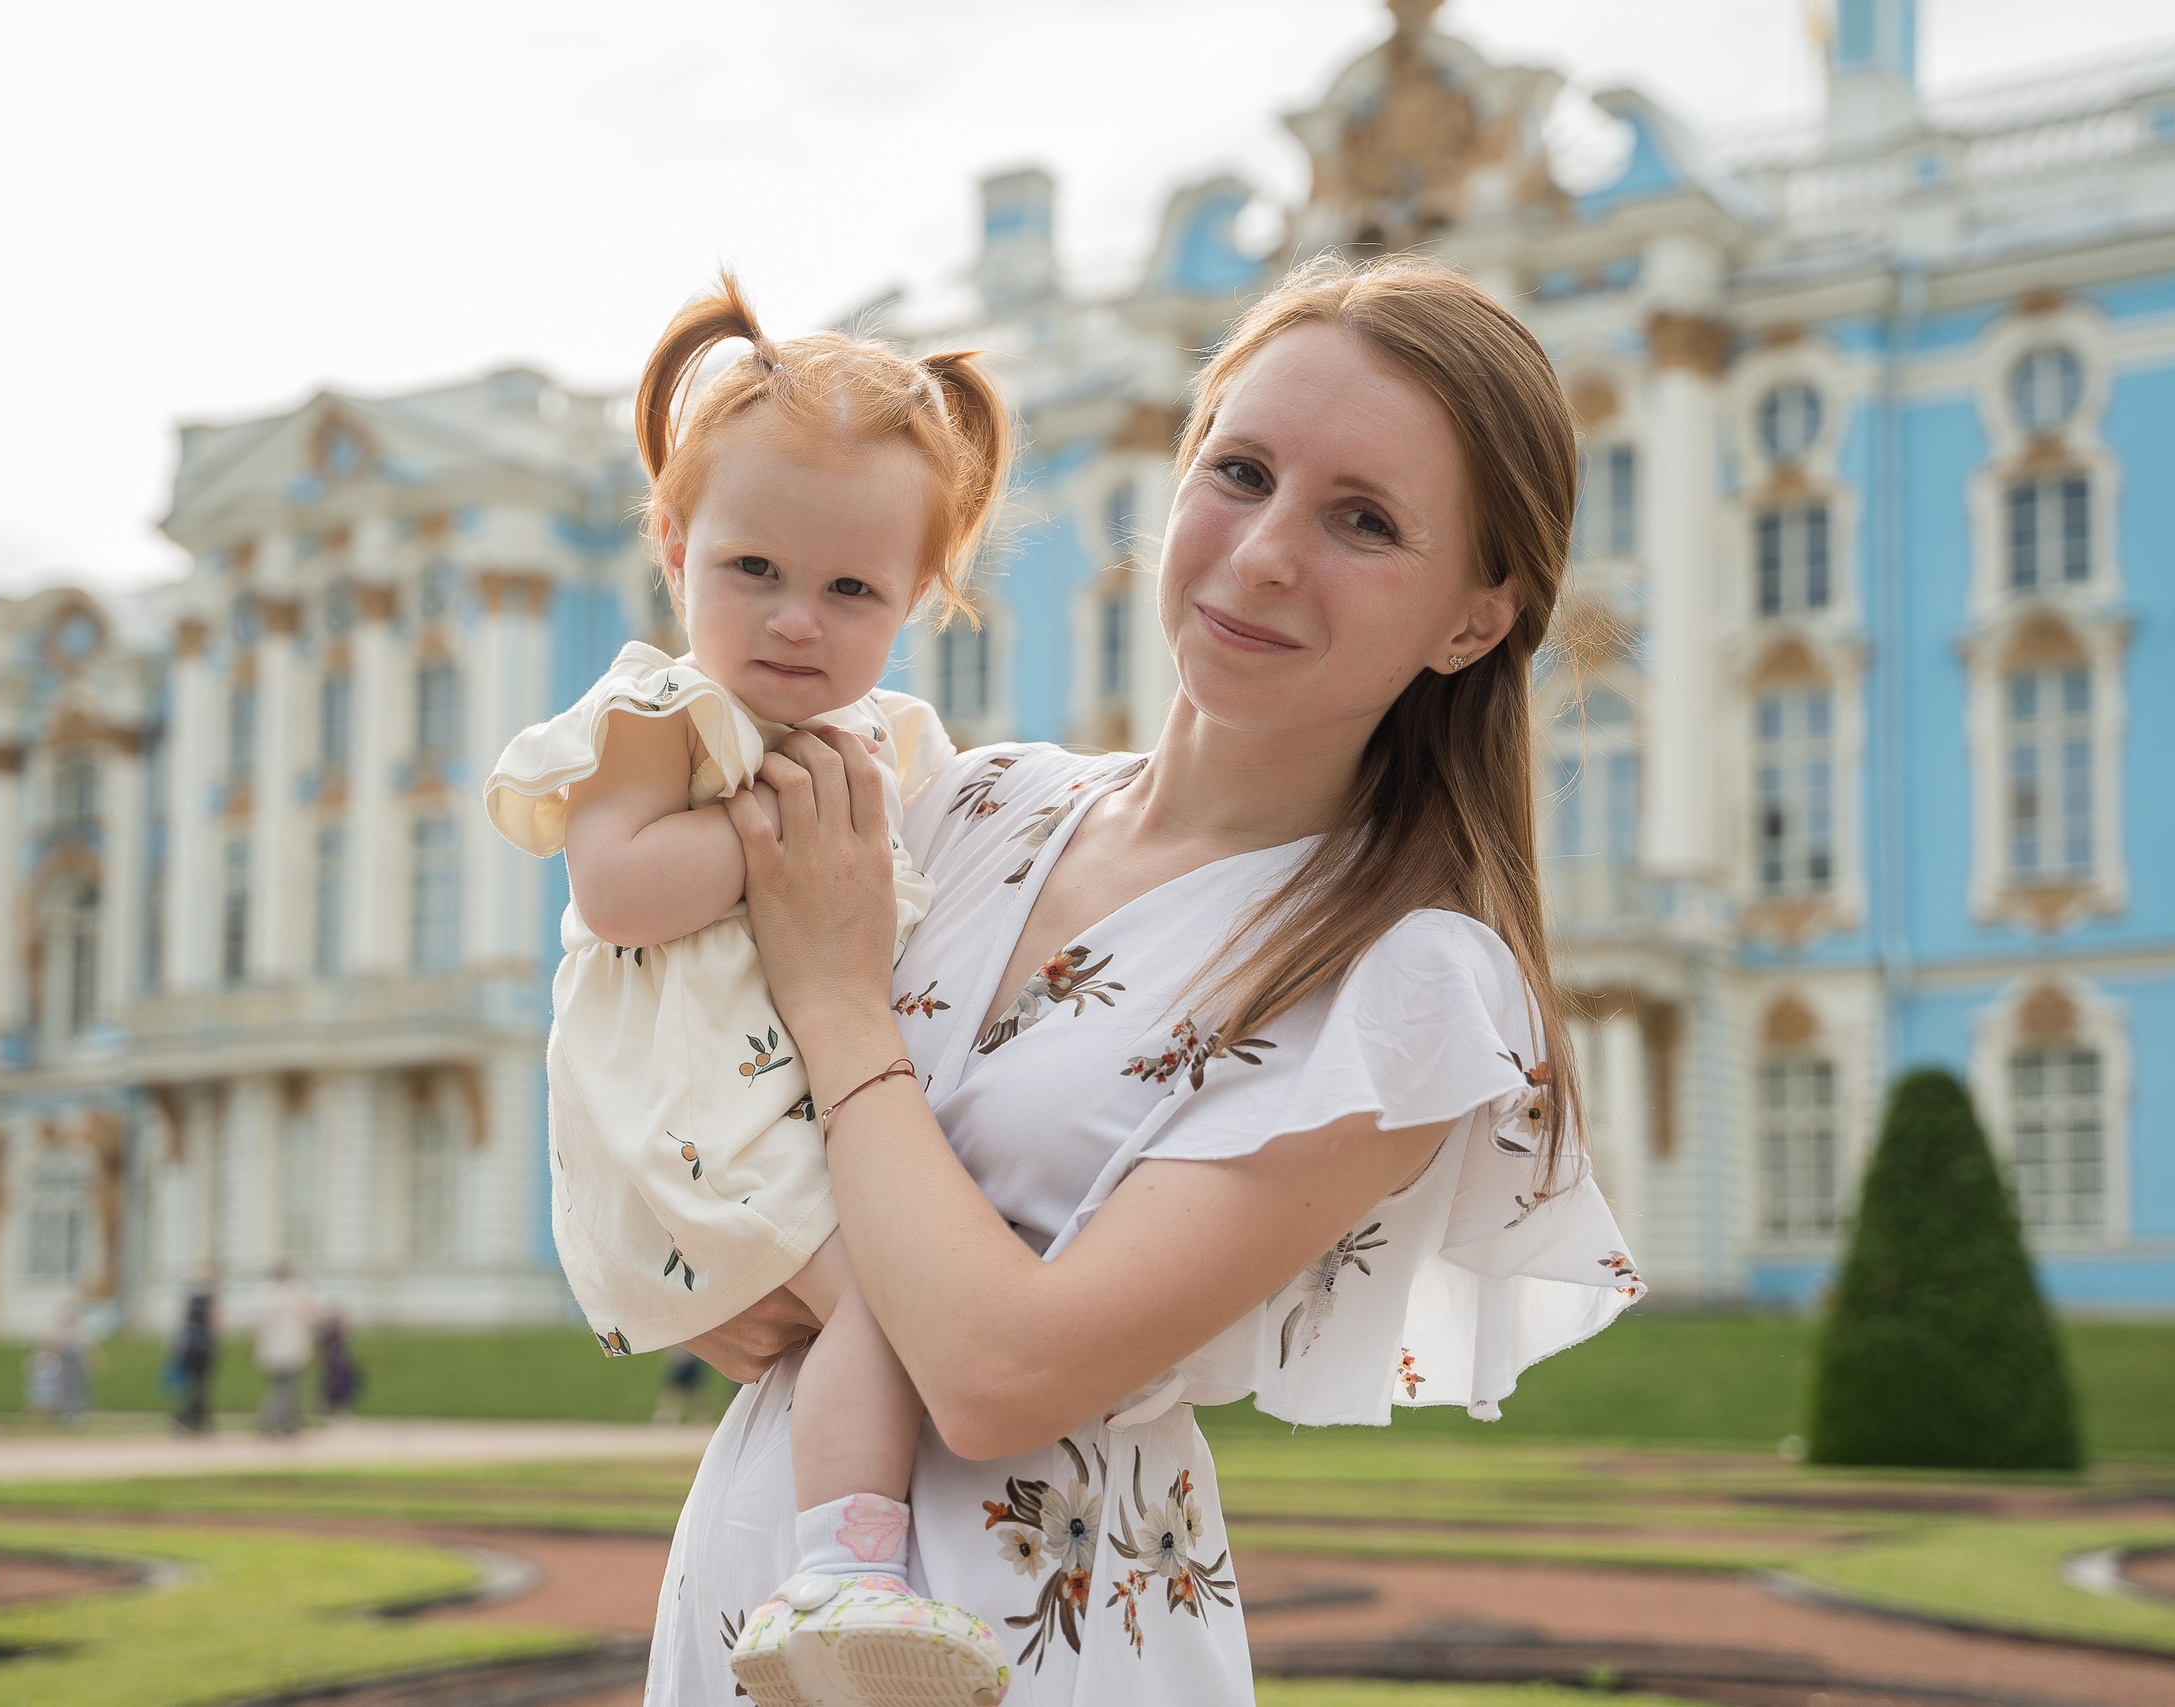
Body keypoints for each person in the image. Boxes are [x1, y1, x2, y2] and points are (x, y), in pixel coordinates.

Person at [651, 255, 1647, 1706]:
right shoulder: (969, 803)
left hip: (1035, 1646)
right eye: (1237, 471)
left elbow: (1001, 1373)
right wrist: (684, 1265)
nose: (1261, 554)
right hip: (745, 1593)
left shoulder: (1410, 983)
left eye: (1363, 520)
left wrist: (838, 1001)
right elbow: (693, 1083)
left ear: (1475, 617)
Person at [485, 274, 1013, 1703]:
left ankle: (837, 1558)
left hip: (796, 1095)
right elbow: (616, 886)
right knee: (886, 1308)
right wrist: (778, 842)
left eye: (853, 590)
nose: (796, 621)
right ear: (672, 545)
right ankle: (840, 1569)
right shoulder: (662, 717)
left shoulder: (892, 742)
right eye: (753, 571)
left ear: (919, 600)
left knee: (888, 1296)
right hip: (695, 1106)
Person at [253, 1265, 316, 1438]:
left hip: (278, 1347)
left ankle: (285, 1419)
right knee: (285, 1386)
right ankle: (276, 1419)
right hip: (287, 1347)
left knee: (282, 1385)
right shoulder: (294, 1293)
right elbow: (308, 1316)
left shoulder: (268, 1294)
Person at [169, 1275, 218, 1435]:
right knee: (200, 1386)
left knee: (195, 1386)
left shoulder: (191, 1300)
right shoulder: (210, 1300)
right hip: (204, 1348)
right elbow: (214, 1322)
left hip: (190, 1348)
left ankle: (200, 1421)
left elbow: (183, 1325)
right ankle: (186, 1418)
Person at [315, 1310, 361, 1416]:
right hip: (333, 1364)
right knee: (331, 1383)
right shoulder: (329, 1335)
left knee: (343, 1384)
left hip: (341, 1365)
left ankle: (339, 1405)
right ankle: (330, 1405)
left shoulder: (341, 1336)